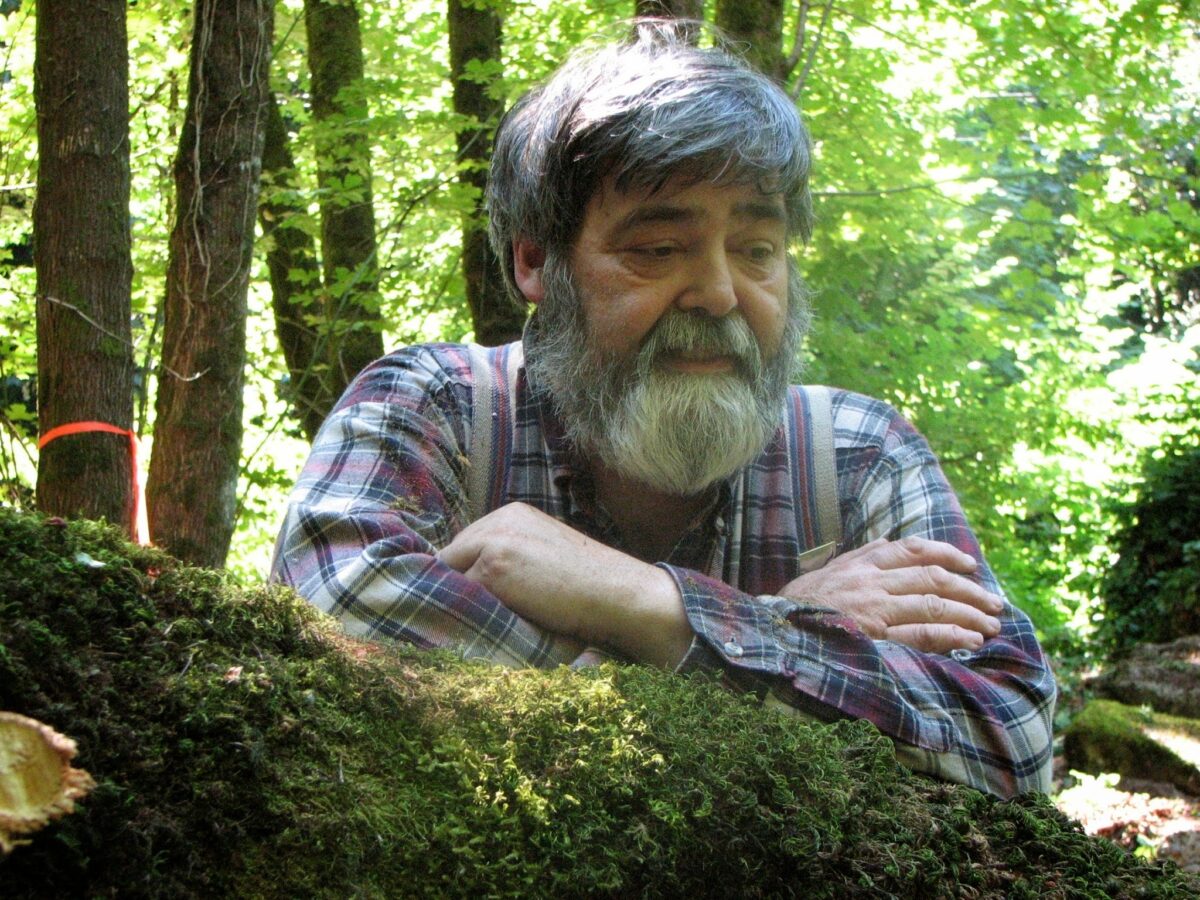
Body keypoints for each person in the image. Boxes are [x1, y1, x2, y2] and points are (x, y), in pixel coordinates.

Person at [271, 21, 1055, 798]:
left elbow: (1013, 738)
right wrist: (782, 640)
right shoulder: (432, 409)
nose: (719, 294)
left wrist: (657, 608)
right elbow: (330, 617)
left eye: (756, 251)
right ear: (536, 260)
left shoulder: (856, 455)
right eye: (657, 249)